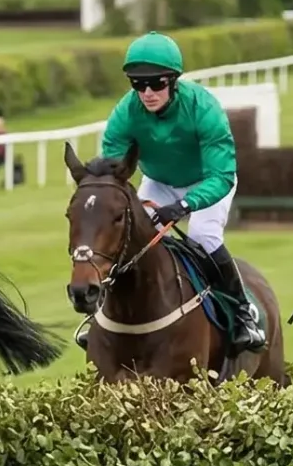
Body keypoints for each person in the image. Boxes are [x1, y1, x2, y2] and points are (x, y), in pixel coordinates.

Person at [78, 32, 268, 355]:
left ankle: (241, 312)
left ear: (174, 81)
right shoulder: (125, 114)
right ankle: (102, 312)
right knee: (128, 236)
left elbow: (221, 175)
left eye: (156, 83)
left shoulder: (203, 108)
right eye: (138, 85)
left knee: (203, 236)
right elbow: (112, 173)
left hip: (209, 182)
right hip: (160, 182)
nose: (148, 93)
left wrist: (183, 205)